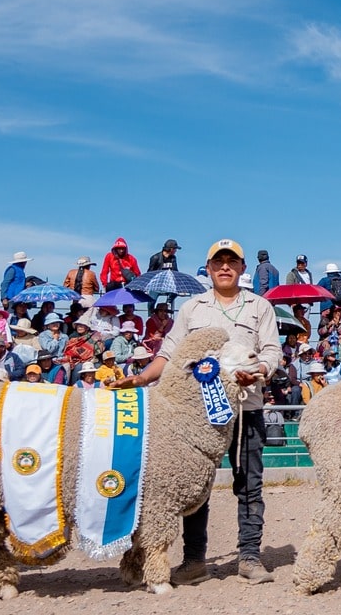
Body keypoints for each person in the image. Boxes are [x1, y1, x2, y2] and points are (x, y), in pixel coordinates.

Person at [121, 239, 282, 583]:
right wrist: (142, 377)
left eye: (232, 261)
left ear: (242, 268)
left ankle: (250, 557)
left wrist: (260, 371)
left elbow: (271, 351)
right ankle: (194, 560)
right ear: (208, 269)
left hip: (246, 405)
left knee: (249, 484)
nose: (225, 267)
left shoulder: (260, 307)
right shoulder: (192, 308)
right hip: (197, 417)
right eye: (218, 262)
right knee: (196, 487)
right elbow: (170, 353)